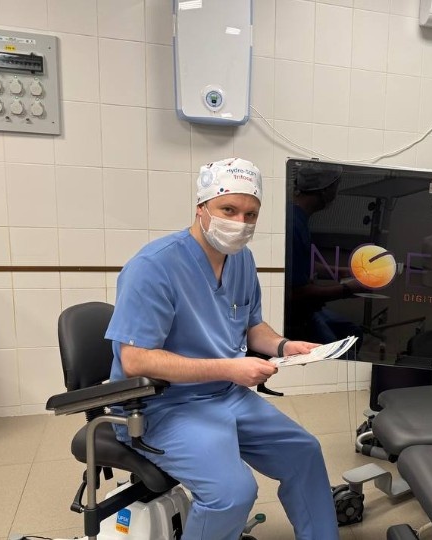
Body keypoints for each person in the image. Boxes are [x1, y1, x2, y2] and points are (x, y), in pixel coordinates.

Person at [105, 158, 340, 540]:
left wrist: (283, 345)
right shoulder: (154, 266)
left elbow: (251, 325)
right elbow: (135, 359)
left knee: (305, 452)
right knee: (232, 494)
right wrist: (230, 369)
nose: (240, 223)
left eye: (250, 214)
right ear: (201, 207)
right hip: (163, 406)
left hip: (225, 395)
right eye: (228, 210)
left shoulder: (241, 259)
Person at [289, 164, 366, 343]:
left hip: (307, 310)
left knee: (353, 332)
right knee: (342, 347)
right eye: (336, 186)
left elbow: (302, 264)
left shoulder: (297, 217)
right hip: (296, 315)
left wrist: (343, 272)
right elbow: (298, 293)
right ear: (325, 190)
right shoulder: (293, 225)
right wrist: (348, 289)